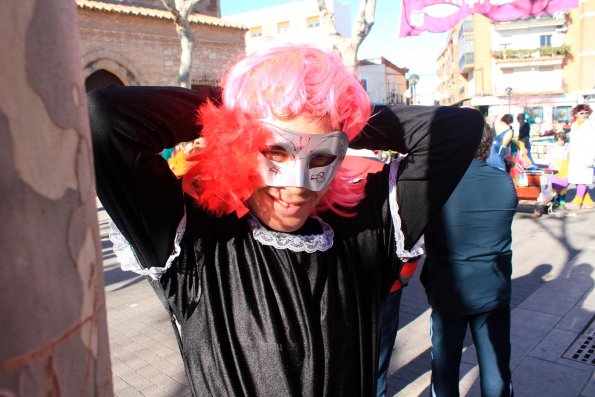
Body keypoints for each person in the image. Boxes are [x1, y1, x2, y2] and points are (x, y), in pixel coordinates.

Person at [88, 43, 484, 396]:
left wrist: (340, 112)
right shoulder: (195, 243)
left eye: (322, 157)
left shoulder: (367, 229)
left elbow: (456, 129)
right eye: (275, 152)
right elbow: (104, 119)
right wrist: (240, 106)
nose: (297, 187)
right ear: (240, 143)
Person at [420, 124, 518, 397]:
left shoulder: (438, 186)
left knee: (445, 370)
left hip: (448, 290)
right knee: (496, 369)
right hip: (493, 289)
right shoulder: (504, 182)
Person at [566, 104, 595, 209]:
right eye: (581, 113)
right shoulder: (574, 125)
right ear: (576, 114)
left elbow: (592, 143)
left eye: (586, 113)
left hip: (585, 155)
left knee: (582, 178)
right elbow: (572, 141)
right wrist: (569, 152)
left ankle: (578, 201)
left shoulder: (590, 126)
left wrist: (591, 158)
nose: (584, 115)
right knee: (577, 178)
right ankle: (587, 200)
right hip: (575, 155)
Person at [547, 131, 570, 207]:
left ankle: (562, 199)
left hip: (564, 167)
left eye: (562, 140)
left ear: (564, 139)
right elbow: (550, 158)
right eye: (558, 140)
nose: (560, 142)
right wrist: (552, 164)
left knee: (564, 184)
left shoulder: (567, 148)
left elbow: (569, 158)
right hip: (555, 167)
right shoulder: (552, 148)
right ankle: (554, 199)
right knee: (554, 184)